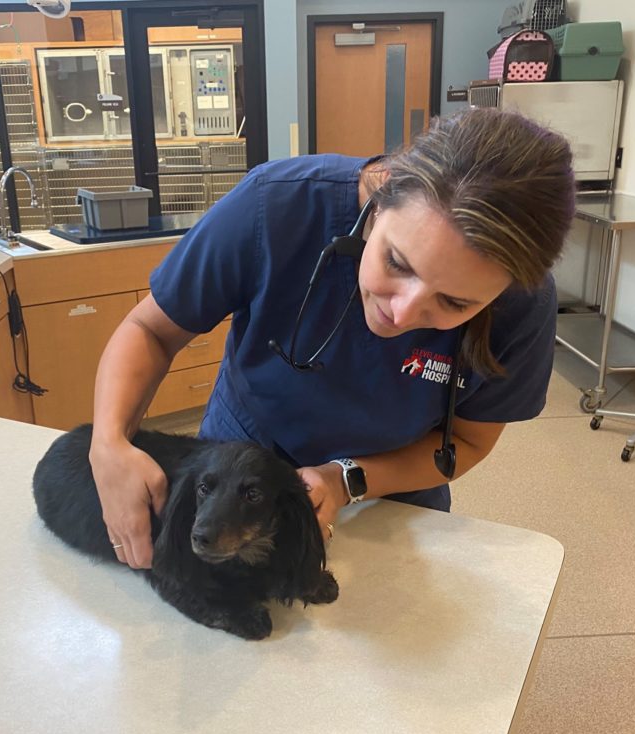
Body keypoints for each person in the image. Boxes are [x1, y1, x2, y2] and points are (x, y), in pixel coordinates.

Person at [90, 108, 576, 570]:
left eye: (454, 303)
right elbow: (151, 330)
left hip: (389, 495)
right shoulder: (275, 207)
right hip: (239, 465)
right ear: (381, 197)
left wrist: (346, 479)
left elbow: (467, 441)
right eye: (397, 263)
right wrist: (109, 442)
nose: (402, 312)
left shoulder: (524, 305)